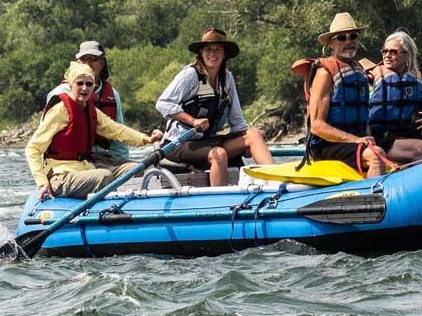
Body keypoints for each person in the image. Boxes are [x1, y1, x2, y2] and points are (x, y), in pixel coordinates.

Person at [25, 62, 163, 200]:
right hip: (60, 175)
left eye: (89, 84)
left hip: (85, 168)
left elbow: (116, 130)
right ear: (71, 85)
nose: (84, 88)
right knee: (104, 176)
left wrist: (147, 139)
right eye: (80, 83)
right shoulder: (59, 111)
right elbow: (33, 148)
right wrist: (42, 183)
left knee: (136, 168)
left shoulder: (90, 110)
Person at [155, 28, 272, 186]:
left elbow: (236, 120)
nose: (213, 54)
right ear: (201, 52)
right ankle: (221, 202)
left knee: (254, 135)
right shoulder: (191, 75)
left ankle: (275, 184)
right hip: (178, 143)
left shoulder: (227, 78)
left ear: (224, 54)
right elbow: (163, 103)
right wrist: (192, 120)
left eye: (218, 50)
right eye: (208, 49)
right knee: (220, 154)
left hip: (208, 141)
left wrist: (246, 145)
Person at [304, 12, 387, 177]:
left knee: (389, 150)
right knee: (376, 156)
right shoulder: (324, 73)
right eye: (342, 37)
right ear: (331, 44)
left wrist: (368, 138)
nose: (349, 41)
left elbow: (364, 119)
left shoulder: (359, 71)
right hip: (326, 146)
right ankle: (371, 200)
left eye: (353, 36)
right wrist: (355, 140)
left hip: (353, 143)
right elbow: (317, 126)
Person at [45, 40, 129, 169]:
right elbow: (43, 140)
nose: (88, 64)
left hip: (103, 158)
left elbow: (119, 138)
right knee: (103, 176)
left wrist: (123, 164)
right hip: (71, 162)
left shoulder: (112, 94)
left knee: (137, 169)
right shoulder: (59, 94)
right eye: (84, 59)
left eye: (93, 59)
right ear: (77, 63)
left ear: (102, 63)